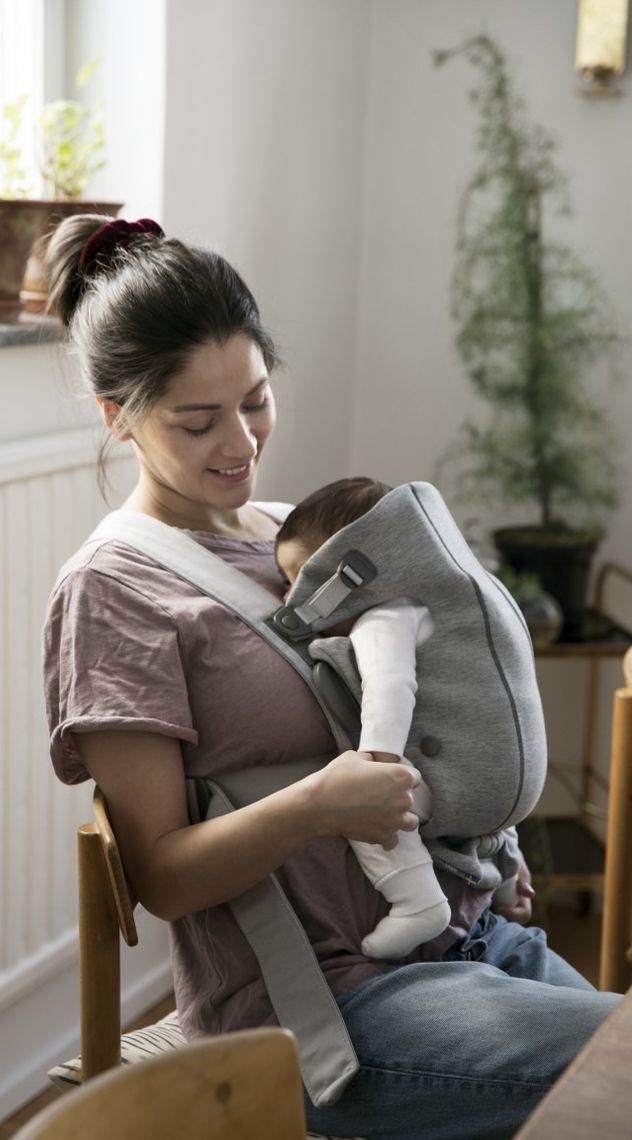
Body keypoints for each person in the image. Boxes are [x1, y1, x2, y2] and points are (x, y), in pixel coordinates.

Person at [42, 214, 620, 1140]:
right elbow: (161, 878)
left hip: (467, 939)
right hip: (324, 1014)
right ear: (118, 416)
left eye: (257, 400)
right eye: (197, 421)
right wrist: (317, 806)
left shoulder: (297, 536)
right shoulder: (113, 594)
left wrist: (485, 850)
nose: (241, 441)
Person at [274, 475, 533, 961]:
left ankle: (417, 902)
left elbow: (391, 686)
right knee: (480, 817)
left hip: (460, 778)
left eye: (301, 578)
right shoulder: (460, 597)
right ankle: (505, 882)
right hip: (512, 787)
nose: (290, 598)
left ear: (347, 573)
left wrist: (379, 757)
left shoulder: (384, 617)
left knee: (360, 806)